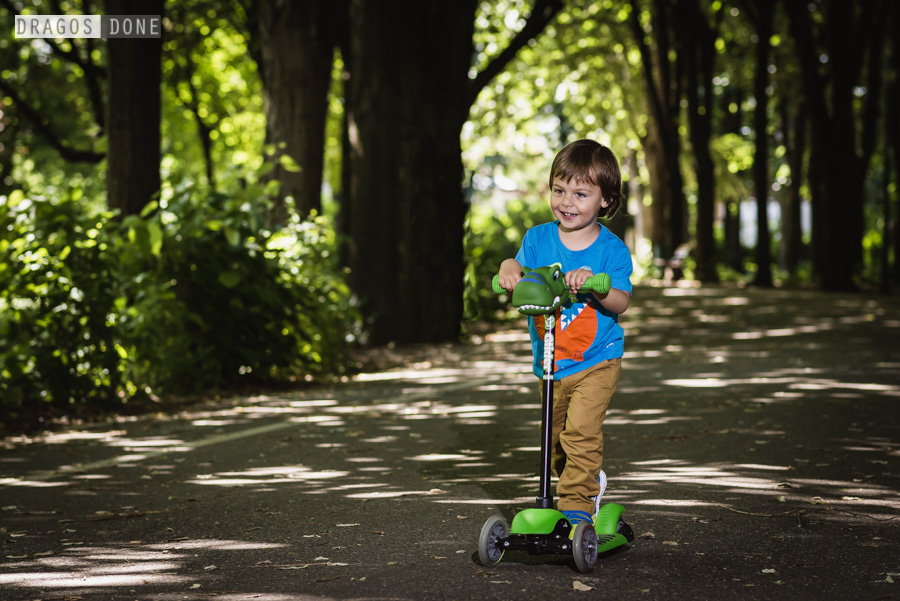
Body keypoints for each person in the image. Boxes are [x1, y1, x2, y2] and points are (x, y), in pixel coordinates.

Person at [497, 139, 633, 527]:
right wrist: (509, 268)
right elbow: (519, 270)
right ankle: (585, 480)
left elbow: (622, 302)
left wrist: (597, 285)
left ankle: (575, 503)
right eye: (560, 190)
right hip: (552, 363)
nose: (567, 202)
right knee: (554, 442)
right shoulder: (538, 239)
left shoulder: (611, 250)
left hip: (598, 360)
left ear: (605, 200)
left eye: (581, 193)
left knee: (580, 434)